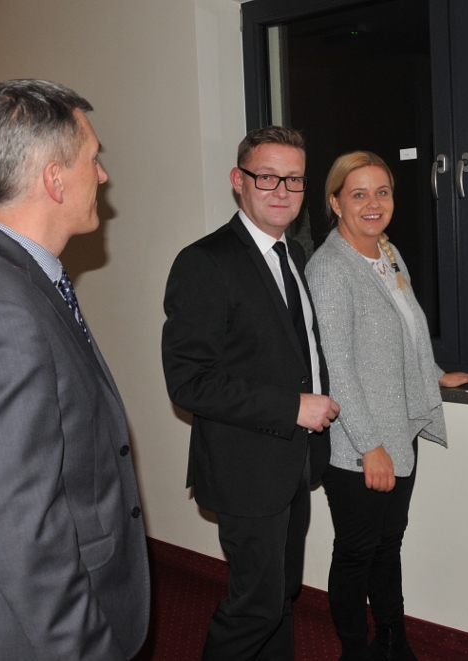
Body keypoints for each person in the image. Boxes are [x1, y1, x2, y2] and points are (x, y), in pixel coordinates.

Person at [0, 80, 149, 660]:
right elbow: (27, 539)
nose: (102, 176)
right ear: (54, 179)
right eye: (92, 159)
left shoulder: (4, 272)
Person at [162, 125, 340, 660]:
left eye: (294, 179)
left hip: (294, 462)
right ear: (238, 181)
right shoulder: (205, 262)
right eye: (267, 177)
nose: (282, 191)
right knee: (255, 607)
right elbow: (188, 380)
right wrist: (293, 407)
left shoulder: (296, 255)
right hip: (246, 468)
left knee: (280, 596)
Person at [305, 151, 468, 661]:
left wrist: (433, 374)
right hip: (358, 446)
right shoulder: (330, 270)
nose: (373, 203)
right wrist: (371, 447)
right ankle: (355, 652)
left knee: (388, 545)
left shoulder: (387, 252)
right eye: (358, 194)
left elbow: (407, 331)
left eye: (382, 192)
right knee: (356, 552)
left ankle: (392, 642)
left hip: (396, 432)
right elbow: (338, 368)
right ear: (336, 202)